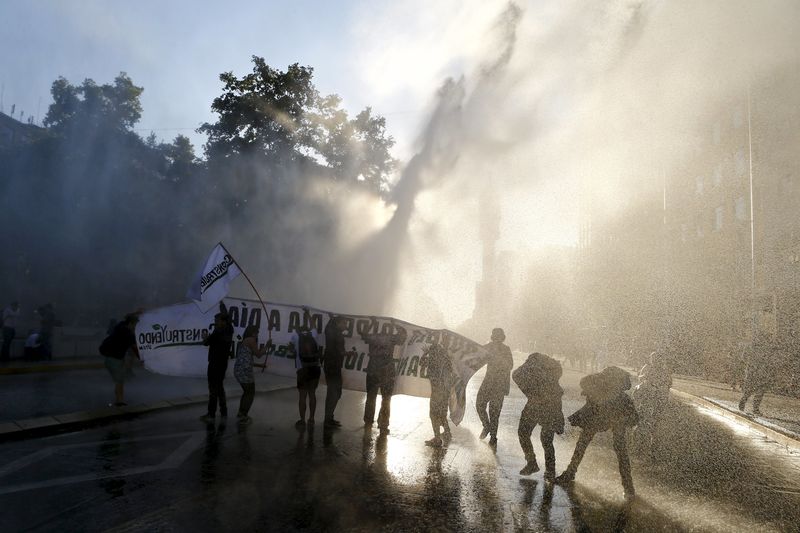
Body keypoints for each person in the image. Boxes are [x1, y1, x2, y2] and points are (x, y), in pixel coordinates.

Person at [556, 366, 639, 501]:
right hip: (601, 416)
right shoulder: (605, 390)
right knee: (617, 449)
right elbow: (585, 383)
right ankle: (628, 487)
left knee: (585, 444)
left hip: (608, 417)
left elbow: (585, 383)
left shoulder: (610, 393)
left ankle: (570, 473)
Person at [513, 352, 564, 482]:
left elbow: (517, 375)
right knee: (542, 438)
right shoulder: (549, 370)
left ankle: (538, 466)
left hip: (542, 405)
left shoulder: (535, 369)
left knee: (533, 436)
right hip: (543, 405)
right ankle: (545, 469)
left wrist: (530, 393)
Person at [362, 317, 408, 433]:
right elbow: (403, 336)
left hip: (373, 370)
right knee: (386, 398)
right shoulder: (391, 338)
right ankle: (383, 424)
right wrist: (396, 324)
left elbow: (363, 334)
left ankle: (369, 421)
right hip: (386, 371)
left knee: (371, 397)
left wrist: (372, 324)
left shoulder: (373, 337)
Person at [476, 327, 514, 446]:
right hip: (488, 382)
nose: (496, 339)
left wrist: (499, 359)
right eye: (495, 336)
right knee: (479, 404)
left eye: (498, 336)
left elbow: (510, 365)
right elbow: (475, 353)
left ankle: (493, 437)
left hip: (499, 385)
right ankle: (486, 426)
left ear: (501, 338)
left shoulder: (506, 349)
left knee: (494, 412)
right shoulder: (488, 347)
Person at [633, 349, 672, 454]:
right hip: (648, 397)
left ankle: (653, 442)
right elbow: (640, 378)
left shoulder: (664, 371)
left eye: (656, 359)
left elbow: (668, 384)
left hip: (658, 399)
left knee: (655, 420)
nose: (654, 361)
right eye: (652, 359)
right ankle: (639, 440)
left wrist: (662, 390)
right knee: (643, 417)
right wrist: (646, 379)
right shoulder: (647, 368)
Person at [200, 304, 234, 422]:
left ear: (221, 321)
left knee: (213, 390)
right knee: (219, 388)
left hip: (214, 364)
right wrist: (222, 304)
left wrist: (204, 337)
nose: (215, 322)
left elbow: (206, 343)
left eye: (216, 320)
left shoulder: (217, 332)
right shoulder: (229, 329)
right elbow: (228, 317)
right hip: (223, 364)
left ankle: (211, 414)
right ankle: (224, 412)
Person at [100, 313, 141, 406]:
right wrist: (142, 359)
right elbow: (135, 349)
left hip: (111, 359)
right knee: (120, 381)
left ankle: (119, 400)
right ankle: (119, 401)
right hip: (114, 360)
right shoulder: (129, 334)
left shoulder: (120, 325)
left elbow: (127, 317)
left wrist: (136, 313)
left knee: (120, 380)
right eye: (135, 325)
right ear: (131, 323)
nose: (135, 327)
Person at [291, 310, 323, 428]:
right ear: (308, 329)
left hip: (302, 369)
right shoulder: (313, 334)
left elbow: (291, 348)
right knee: (312, 394)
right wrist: (308, 314)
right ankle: (312, 419)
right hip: (315, 368)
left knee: (302, 396)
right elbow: (313, 325)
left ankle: (302, 420)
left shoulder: (295, 335)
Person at [233, 324, 269, 423]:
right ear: (253, 332)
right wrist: (267, 346)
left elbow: (247, 359)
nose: (257, 334)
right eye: (257, 332)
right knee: (250, 393)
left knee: (246, 392)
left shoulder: (245, 341)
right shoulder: (251, 340)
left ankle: (241, 413)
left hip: (239, 370)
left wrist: (259, 366)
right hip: (245, 371)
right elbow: (258, 354)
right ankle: (243, 416)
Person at [423, 339, 453, 447]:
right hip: (444, 391)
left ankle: (437, 438)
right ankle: (447, 431)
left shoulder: (433, 360)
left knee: (433, 414)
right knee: (441, 413)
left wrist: (425, 353)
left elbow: (421, 362)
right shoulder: (445, 358)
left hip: (438, 391)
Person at [738, 338, 775, 416]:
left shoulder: (750, 347)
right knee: (759, 390)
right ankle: (754, 408)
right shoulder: (766, 348)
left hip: (754, 371)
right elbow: (769, 360)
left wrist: (749, 366)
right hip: (760, 371)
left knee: (752, 389)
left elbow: (743, 358)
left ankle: (744, 402)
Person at [322, 313, 347, 428]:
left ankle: (329, 417)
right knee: (335, 392)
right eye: (344, 323)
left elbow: (327, 327)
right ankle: (328, 419)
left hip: (329, 365)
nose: (346, 326)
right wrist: (349, 354)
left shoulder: (330, 332)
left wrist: (331, 318)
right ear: (338, 323)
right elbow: (341, 352)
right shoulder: (338, 335)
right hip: (333, 367)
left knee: (333, 392)